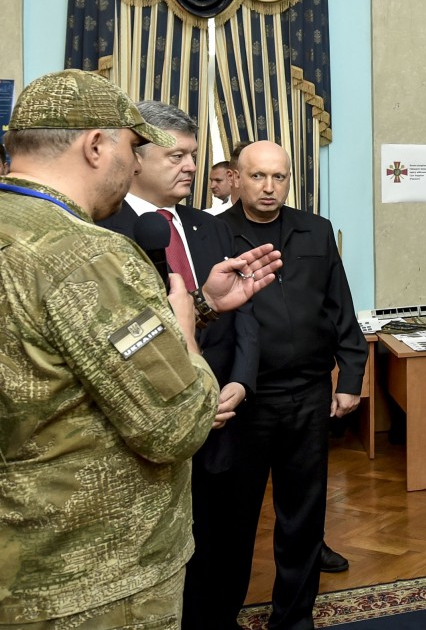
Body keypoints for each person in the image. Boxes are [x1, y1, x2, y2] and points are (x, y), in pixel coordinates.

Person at [0, 69, 280, 628]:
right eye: (132, 148)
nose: (133, 164)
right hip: (95, 576)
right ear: (95, 146)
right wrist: (186, 335)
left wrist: (200, 304)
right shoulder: (88, 254)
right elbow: (177, 424)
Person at [95, 100, 261, 630]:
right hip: (152, 425)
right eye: (176, 156)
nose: (191, 166)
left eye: (193, 155)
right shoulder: (103, 229)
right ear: (136, 159)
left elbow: (244, 312)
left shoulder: (208, 226)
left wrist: (240, 382)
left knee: (227, 540)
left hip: (226, 413)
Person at [219, 140, 368, 630]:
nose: (269, 187)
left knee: (303, 516)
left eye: (278, 177)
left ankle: (294, 619)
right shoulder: (213, 234)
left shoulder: (315, 230)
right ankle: (221, 617)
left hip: (308, 394)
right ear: (236, 178)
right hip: (245, 401)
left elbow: (340, 307)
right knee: (235, 520)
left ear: (289, 180)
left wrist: (350, 376)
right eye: (257, 176)